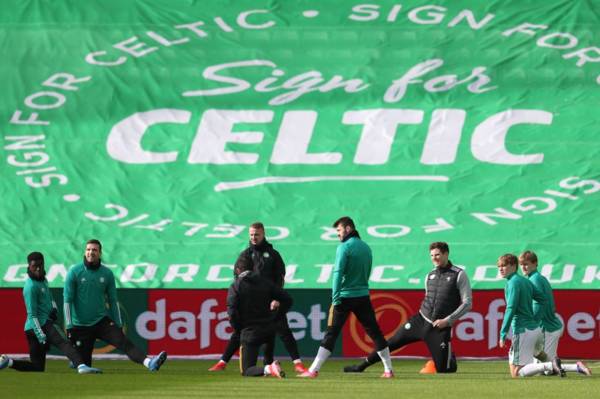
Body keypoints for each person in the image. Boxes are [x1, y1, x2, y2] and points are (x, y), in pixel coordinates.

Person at [344, 241, 471, 375]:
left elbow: (467, 303)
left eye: (437, 255)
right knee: (391, 343)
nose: (434, 258)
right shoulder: (430, 275)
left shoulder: (459, 274)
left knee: (444, 370)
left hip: (439, 327)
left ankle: (449, 358)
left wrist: (448, 320)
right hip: (421, 320)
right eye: (432, 255)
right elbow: (428, 297)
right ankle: (361, 367)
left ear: (446, 254)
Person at [299, 216, 394, 378]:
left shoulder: (344, 247)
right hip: (363, 296)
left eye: (339, 230)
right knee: (375, 333)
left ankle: (313, 370)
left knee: (331, 333)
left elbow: (337, 273)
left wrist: (335, 298)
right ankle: (388, 370)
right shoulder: (366, 247)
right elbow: (367, 271)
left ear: (348, 229)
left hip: (344, 297)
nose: (337, 234)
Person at [209, 222, 308, 374]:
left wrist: (277, 298)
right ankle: (223, 362)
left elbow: (280, 277)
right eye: (251, 235)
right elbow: (238, 278)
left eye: (257, 234)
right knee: (241, 332)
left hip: (271, 298)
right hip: (252, 302)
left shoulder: (272, 254)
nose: (254, 237)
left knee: (283, 330)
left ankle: (297, 363)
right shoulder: (245, 255)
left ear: (263, 234)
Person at [63, 239, 167, 371]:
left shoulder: (107, 274)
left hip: (101, 322)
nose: (91, 252)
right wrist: (69, 326)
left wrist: (118, 324)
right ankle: (76, 359)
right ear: (84, 252)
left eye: (94, 250)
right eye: (88, 249)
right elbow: (67, 300)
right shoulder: (74, 272)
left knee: (124, 342)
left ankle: (150, 363)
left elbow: (113, 300)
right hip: (80, 327)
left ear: (100, 253)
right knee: (84, 366)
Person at [0, 252, 101, 374]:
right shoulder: (30, 287)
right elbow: (32, 314)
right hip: (40, 325)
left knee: (37, 367)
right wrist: (41, 336)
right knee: (64, 342)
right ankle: (81, 366)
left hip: (33, 328)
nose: (37, 268)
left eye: (40, 265)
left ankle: (9, 362)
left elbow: (49, 295)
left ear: (43, 265)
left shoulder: (43, 279)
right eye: (34, 266)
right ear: (29, 267)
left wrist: (53, 308)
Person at [519, 251, 591, 376]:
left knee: (547, 369)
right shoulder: (536, 278)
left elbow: (539, 304)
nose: (523, 267)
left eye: (526, 264)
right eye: (521, 264)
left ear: (535, 264)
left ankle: (576, 366)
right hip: (547, 326)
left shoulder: (535, 279)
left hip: (547, 328)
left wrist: (532, 323)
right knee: (542, 368)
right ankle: (575, 366)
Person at [497, 253, 565, 378]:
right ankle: (573, 366)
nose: (500, 269)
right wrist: (535, 320)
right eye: (499, 266)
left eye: (504, 266)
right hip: (536, 329)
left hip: (529, 328)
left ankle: (552, 365)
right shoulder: (527, 280)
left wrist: (503, 333)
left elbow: (510, 308)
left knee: (519, 373)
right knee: (541, 359)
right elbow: (545, 300)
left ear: (513, 266)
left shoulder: (520, 281)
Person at [227, 253, 292, 377]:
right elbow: (288, 299)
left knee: (247, 370)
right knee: (267, 354)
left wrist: (239, 329)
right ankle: (271, 366)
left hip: (250, 332)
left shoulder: (236, 286)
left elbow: (232, 312)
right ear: (253, 268)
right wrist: (275, 316)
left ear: (238, 269)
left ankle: (269, 368)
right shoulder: (265, 282)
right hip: (269, 329)